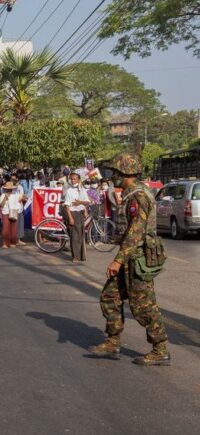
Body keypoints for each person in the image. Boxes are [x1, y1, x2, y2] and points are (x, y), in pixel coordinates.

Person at [88, 152, 170, 366]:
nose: (112, 175)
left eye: (115, 172)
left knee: (144, 306)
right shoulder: (129, 193)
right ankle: (112, 342)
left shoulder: (138, 196)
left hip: (138, 259)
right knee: (109, 297)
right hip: (129, 257)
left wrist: (117, 260)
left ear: (124, 172)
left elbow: (136, 231)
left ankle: (160, 349)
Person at [63, 172, 89, 263]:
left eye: (75, 179)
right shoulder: (69, 191)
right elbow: (67, 206)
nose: (73, 181)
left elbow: (86, 202)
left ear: (78, 180)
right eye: (72, 179)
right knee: (74, 236)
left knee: (80, 235)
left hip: (80, 214)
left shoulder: (82, 189)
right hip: (72, 213)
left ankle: (81, 256)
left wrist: (83, 207)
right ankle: (75, 257)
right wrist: (70, 218)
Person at [0, 182, 20, 249]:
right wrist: (6, 198)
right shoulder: (3, 195)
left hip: (14, 212)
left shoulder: (15, 195)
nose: (9, 190)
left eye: (10, 189)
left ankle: (12, 242)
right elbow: (1, 205)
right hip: (6, 212)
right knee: (6, 229)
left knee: (14, 229)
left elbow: (19, 203)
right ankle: (5, 243)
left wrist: (23, 198)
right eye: (8, 189)